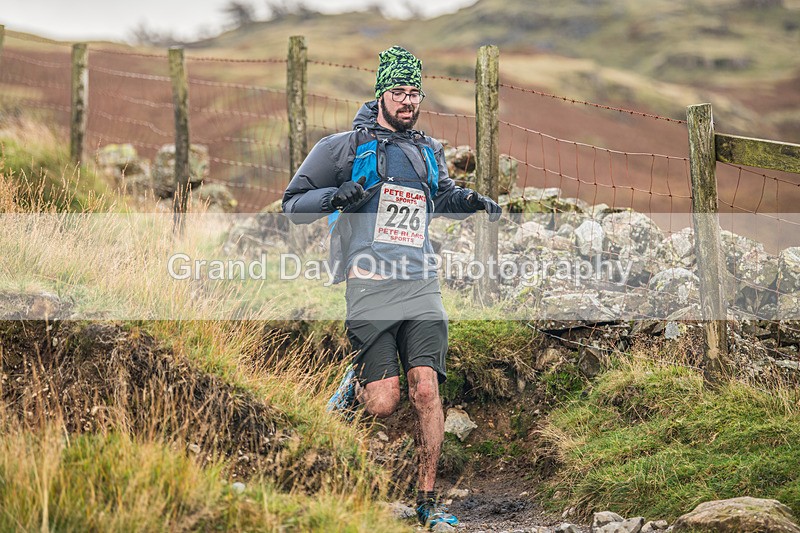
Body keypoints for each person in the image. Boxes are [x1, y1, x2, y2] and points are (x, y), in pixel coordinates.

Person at [282, 45, 501, 528]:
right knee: (384, 402)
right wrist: (333, 196)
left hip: (421, 284)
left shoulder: (427, 149)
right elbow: (292, 204)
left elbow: (439, 194)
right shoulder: (339, 148)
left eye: (415, 92)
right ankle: (352, 386)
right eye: (398, 92)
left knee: (426, 391)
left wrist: (470, 200)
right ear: (381, 93)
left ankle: (427, 505)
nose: (408, 101)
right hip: (370, 289)